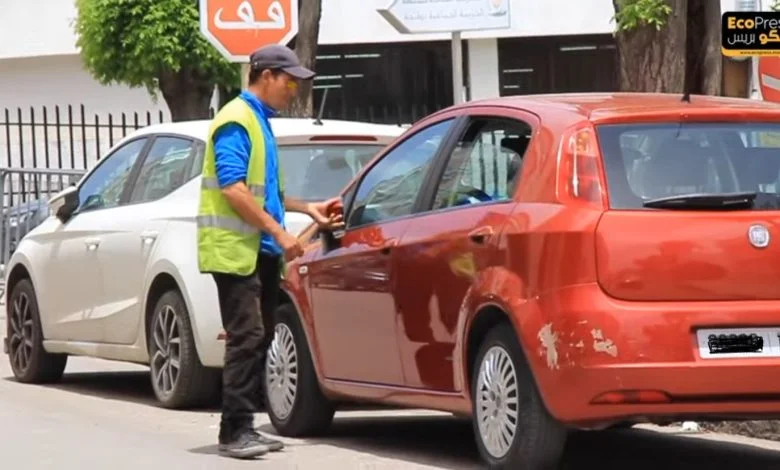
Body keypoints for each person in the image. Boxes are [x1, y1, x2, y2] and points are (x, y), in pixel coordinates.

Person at [197, 44, 343, 460]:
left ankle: (245, 426)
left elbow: (266, 193)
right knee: (247, 337)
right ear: (266, 76)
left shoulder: (260, 121)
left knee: (257, 336)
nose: (293, 89)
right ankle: (233, 432)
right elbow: (233, 188)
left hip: (256, 249)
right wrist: (282, 235)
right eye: (289, 80)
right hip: (234, 250)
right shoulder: (236, 121)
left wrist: (305, 208)